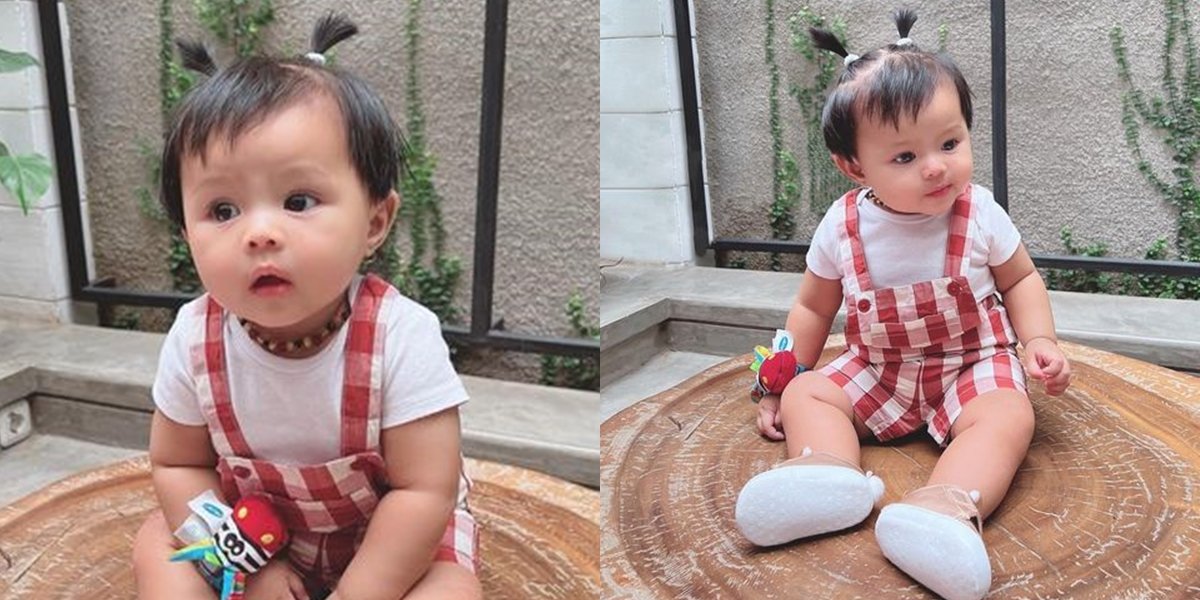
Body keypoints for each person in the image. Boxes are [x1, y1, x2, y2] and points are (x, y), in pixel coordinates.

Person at [130, 13, 481, 600]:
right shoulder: (194, 339)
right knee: (156, 547)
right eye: (222, 210)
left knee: (452, 591)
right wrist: (246, 567)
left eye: (298, 200)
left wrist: (355, 593)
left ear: (375, 221)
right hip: (252, 536)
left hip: (391, 543)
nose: (259, 233)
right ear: (186, 232)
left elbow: (425, 491)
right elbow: (178, 468)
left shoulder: (400, 335)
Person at [734, 9, 1071, 600]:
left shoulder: (980, 212)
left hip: (971, 365)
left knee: (1009, 416)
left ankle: (942, 510)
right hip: (878, 370)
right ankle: (824, 475)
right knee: (808, 394)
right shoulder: (841, 226)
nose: (937, 166)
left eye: (949, 142)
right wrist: (780, 380)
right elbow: (812, 310)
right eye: (906, 157)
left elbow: (1021, 281)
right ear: (853, 165)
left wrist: (1038, 339)